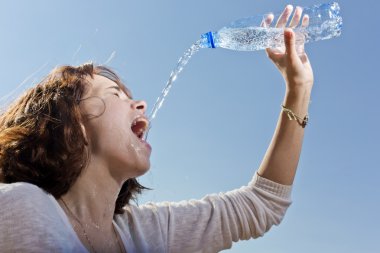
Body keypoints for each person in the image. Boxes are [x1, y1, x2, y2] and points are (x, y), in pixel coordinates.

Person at [0, 5, 313, 253]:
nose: (141, 105)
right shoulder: (22, 209)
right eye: (116, 95)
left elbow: (262, 203)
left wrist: (299, 88)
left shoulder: (144, 233)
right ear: (75, 126)